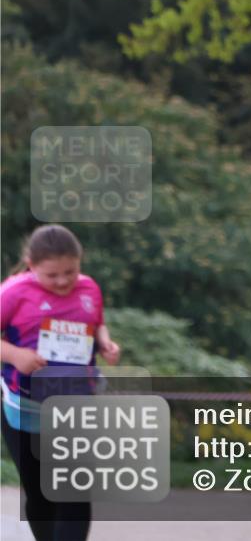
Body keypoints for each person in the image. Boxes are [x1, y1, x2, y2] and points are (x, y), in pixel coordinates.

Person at [1, 224, 120, 541]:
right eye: (52, 275)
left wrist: (106, 343)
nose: (64, 281)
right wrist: (14, 355)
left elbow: (97, 324)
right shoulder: (13, 292)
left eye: (71, 271)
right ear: (31, 265)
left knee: (74, 495)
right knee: (41, 496)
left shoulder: (90, 288)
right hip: (25, 407)